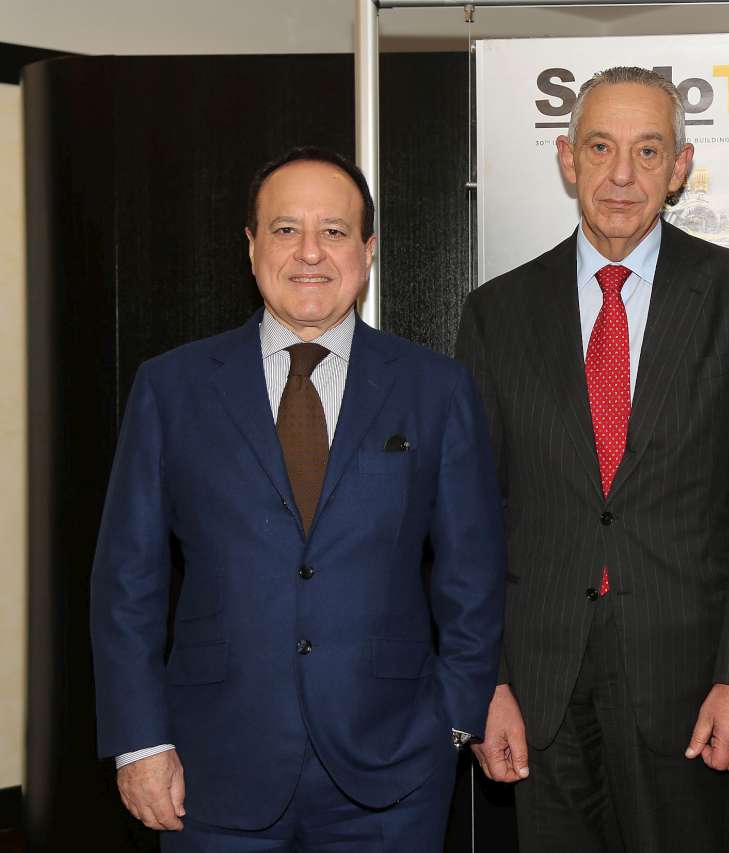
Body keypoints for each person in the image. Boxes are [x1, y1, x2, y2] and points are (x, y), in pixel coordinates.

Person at [89, 147, 506, 850]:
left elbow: (474, 571)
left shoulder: (436, 389)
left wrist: (454, 721)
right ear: (251, 247)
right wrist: (139, 741)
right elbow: (127, 582)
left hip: (395, 773)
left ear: (367, 251)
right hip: (209, 768)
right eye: (286, 229)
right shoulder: (172, 388)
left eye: (334, 231)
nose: (310, 252)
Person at [455, 67, 729, 852]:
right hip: (539, 687)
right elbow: (472, 518)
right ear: (566, 157)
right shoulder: (498, 312)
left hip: (691, 685)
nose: (622, 175)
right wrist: (489, 679)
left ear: (680, 168)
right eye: (600, 147)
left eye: (648, 151)